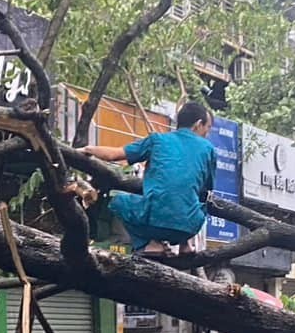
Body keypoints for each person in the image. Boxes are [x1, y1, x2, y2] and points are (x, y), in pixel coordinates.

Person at [81, 100, 218, 253]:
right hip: (189, 226)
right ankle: (185, 245)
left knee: (116, 201)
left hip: (154, 223)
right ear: (198, 124)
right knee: (193, 198)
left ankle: (150, 244)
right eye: (208, 128)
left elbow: (114, 155)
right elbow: (207, 188)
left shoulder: (157, 140)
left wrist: (88, 149)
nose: (207, 133)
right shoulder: (208, 149)